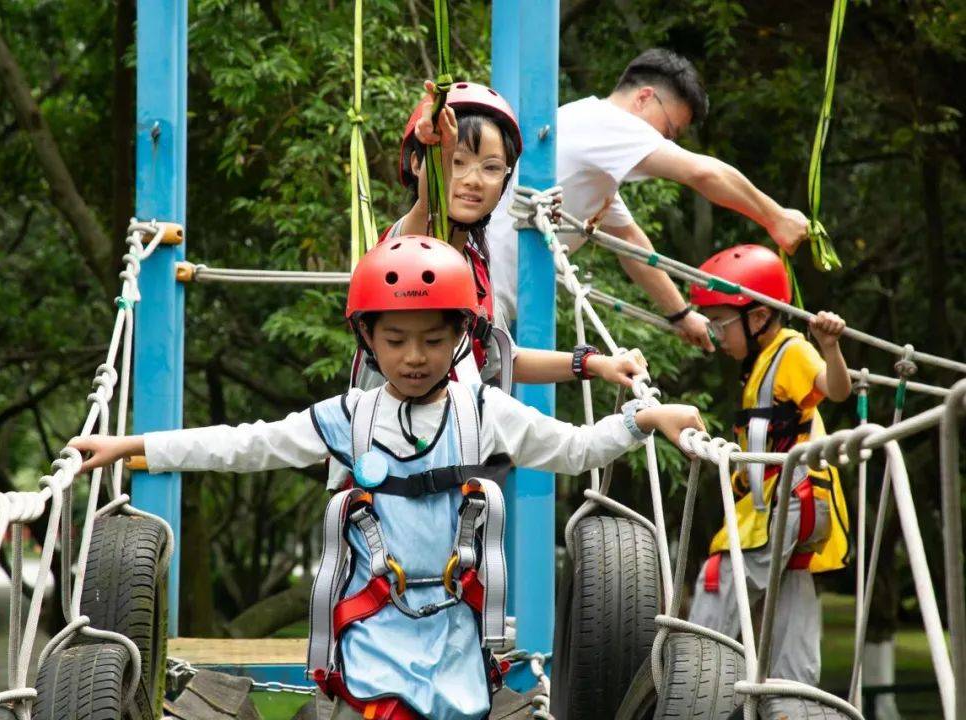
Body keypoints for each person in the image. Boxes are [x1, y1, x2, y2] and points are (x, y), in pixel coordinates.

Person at [70, 237, 707, 720]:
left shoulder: (483, 410)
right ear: (368, 338)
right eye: (395, 338)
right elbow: (246, 444)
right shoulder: (350, 416)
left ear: (461, 337)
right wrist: (135, 445)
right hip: (370, 629)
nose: (413, 357)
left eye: (432, 339)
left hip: (456, 630)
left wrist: (644, 416)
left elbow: (574, 449)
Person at [489, 48, 813, 352]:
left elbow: (631, 243)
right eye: (669, 131)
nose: (665, 142)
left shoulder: (594, 148)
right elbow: (703, 173)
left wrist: (681, 314)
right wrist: (776, 217)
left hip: (487, 293)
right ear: (645, 97)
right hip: (485, 294)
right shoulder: (610, 124)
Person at [354, 81, 646, 396]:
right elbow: (429, 206)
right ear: (418, 164)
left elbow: (506, 359)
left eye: (491, 167)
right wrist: (439, 151)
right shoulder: (404, 248)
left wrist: (593, 364)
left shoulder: (476, 270)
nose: (474, 180)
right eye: (456, 162)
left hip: (452, 438)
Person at [685, 244, 852, 684]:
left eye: (721, 323)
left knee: (720, 578)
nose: (718, 336)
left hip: (787, 499)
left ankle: (693, 687)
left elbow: (835, 390)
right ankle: (794, 699)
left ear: (758, 318)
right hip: (786, 502)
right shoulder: (757, 361)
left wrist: (830, 348)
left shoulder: (791, 351)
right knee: (790, 596)